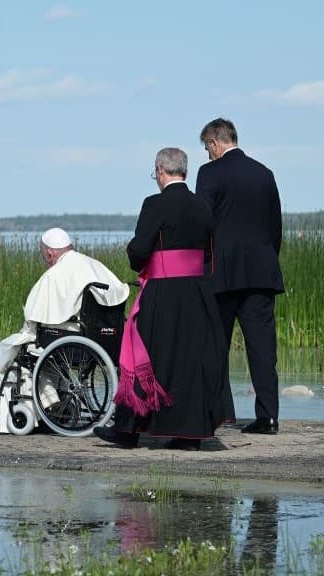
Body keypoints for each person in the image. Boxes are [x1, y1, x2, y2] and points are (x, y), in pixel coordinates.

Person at [94, 147, 233, 449]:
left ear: (159, 170)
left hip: (163, 292)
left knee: (145, 357)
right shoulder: (202, 206)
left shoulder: (154, 204)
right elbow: (210, 252)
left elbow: (140, 250)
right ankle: (189, 435)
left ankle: (128, 430)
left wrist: (135, 258)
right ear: (185, 170)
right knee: (190, 360)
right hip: (197, 293)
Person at [0, 228, 130, 426]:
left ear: (50, 253)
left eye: (44, 256)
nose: (46, 261)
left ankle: (38, 407)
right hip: (106, 339)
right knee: (43, 350)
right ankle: (52, 402)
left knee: (17, 348)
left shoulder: (56, 274)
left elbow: (34, 318)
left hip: (74, 341)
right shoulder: (95, 265)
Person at [195, 118, 285, 435]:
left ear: (216, 143)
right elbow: (275, 227)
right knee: (262, 349)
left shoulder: (209, 174)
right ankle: (269, 416)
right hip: (261, 272)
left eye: (207, 148)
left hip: (221, 274)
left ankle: (215, 414)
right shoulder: (264, 173)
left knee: (214, 344)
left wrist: (203, 264)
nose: (207, 155)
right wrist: (266, 257)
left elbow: (202, 223)